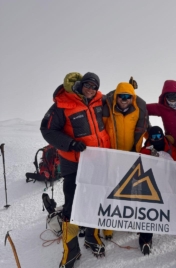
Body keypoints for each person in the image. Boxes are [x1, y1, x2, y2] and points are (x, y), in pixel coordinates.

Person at [40, 72, 110, 268]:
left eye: (94, 86)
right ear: (80, 85)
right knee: (72, 207)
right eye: (87, 85)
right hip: (73, 163)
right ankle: (71, 250)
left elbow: (122, 100)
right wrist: (70, 143)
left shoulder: (100, 100)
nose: (90, 89)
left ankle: (92, 237)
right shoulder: (62, 105)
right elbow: (47, 130)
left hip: (97, 162)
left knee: (95, 200)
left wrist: (130, 89)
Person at [102, 81, 149, 240]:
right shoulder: (108, 109)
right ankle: (107, 224)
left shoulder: (138, 110)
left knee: (130, 189)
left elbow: (145, 128)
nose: (124, 99)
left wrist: (157, 144)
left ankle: (129, 218)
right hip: (111, 156)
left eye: (128, 96)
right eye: (121, 96)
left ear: (132, 98)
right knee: (109, 189)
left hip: (130, 155)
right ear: (116, 97)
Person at [139, 126, 176, 255]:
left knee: (173, 206)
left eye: (159, 137)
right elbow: (140, 166)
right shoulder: (145, 150)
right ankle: (145, 238)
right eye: (153, 137)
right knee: (148, 209)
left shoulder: (170, 149)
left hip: (168, 184)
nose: (156, 139)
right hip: (151, 184)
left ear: (163, 136)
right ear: (149, 138)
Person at [146, 80, 176, 145]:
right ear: (165, 96)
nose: (172, 99)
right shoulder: (162, 108)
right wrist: (131, 93)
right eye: (169, 96)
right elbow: (142, 107)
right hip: (171, 145)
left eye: (175, 95)